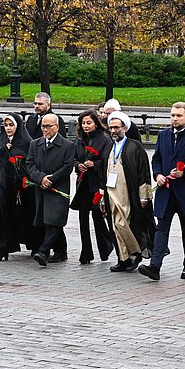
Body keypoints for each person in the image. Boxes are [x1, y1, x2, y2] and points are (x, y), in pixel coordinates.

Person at [139, 102, 185, 280]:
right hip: (166, 191)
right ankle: (155, 266)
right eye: (172, 115)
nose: (175, 119)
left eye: (178, 115)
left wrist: (184, 172)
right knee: (161, 227)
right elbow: (156, 159)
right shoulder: (163, 136)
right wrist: (158, 175)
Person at [102, 111, 154, 272]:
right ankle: (123, 258)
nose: (113, 131)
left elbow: (144, 171)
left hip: (128, 193)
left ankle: (134, 254)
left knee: (126, 224)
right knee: (116, 225)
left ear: (124, 127)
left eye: (116, 127)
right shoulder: (109, 147)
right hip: (111, 192)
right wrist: (102, 198)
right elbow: (102, 172)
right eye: (111, 128)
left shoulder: (134, 146)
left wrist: (144, 195)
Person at [0, 113, 41, 261]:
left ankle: (35, 245)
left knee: (28, 215)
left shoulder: (26, 142)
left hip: (24, 188)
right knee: (2, 216)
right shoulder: (2, 141)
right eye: (6, 125)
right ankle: (2, 250)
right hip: (5, 187)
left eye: (11, 125)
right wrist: (4, 150)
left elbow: (31, 162)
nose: (8, 128)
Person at [26, 114, 75, 266]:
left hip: (58, 188)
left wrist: (51, 179)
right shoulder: (35, 144)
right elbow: (30, 164)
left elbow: (67, 167)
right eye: (43, 127)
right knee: (46, 221)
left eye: (49, 126)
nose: (45, 130)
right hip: (41, 188)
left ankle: (44, 251)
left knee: (54, 219)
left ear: (57, 127)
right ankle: (61, 250)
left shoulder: (67, 145)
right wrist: (40, 178)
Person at [70, 109, 114, 264]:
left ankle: (106, 246)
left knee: (97, 216)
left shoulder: (105, 140)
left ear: (96, 123)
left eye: (89, 123)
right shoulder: (80, 140)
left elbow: (108, 161)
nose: (86, 126)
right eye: (83, 123)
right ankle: (86, 252)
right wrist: (78, 165)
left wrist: (94, 164)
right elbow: (74, 158)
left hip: (97, 184)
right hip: (83, 184)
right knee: (83, 218)